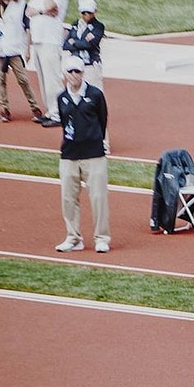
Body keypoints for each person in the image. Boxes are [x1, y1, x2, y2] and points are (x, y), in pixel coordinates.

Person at [54, 57, 111, 254]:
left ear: (82, 73)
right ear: (65, 74)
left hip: (94, 154)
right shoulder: (62, 98)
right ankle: (73, 237)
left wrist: (94, 139)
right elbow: (64, 122)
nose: (73, 75)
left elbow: (103, 120)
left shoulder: (95, 95)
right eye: (70, 71)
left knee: (98, 197)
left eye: (77, 71)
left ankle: (101, 238)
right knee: (68, 199)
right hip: (69, 154)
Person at [25, 0, 69, 127]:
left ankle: (58, 114)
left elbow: (51, 7)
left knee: (53, 80)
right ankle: (50, 111)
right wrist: (41, 11)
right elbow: (29, 11)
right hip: (37, 40)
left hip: (50, 41)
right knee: (43, 80)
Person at [63, 0, 107, 152]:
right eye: (83, 13)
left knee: (95, 102)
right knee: (74, 103)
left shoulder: (98, 26)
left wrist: (76, 42)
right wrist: (77, 42)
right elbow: (66, 44)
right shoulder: (76, 25)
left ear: (94, 12)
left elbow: (90, 44)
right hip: (76, 67)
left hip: (91, 68)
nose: (85, 16)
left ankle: (102, 141)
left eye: (88, 12)